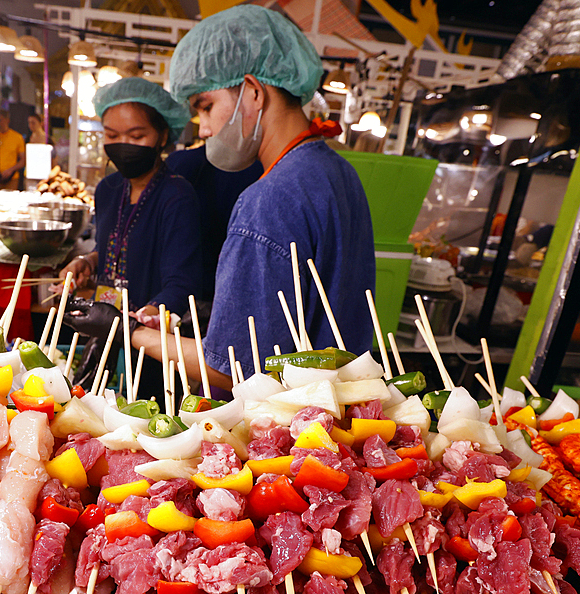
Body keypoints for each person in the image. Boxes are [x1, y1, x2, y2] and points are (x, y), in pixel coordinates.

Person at [65, 5, 375, 392]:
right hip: (339, 415)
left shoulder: (268, 200)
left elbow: (235, 369)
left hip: (288, 426)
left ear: (254, 92)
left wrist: (126, 331)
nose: (205, 128)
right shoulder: (339, 173)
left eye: (207, 107)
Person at [57, 77, 202, 395]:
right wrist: (89, 261)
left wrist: (136, 322)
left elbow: (183, 283)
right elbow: (114, 244)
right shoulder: (108, 190)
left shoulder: (177, 195)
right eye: (112, 135)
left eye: (136, 135)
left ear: (162, 135)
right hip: (103, 331)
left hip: (153, 346)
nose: (123, 144)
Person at [165, 144, 262, 302]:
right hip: (224, 284)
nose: (203, 129)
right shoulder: (185, 164)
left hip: (195, 285)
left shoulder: (182, 163)